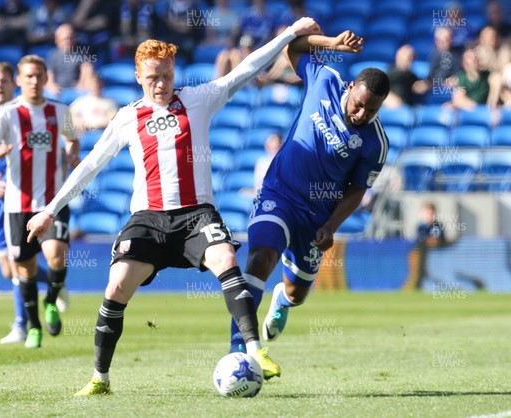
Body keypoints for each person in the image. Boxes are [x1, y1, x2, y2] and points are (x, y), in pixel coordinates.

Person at [25, 17, 321, 395]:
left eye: (166, 75)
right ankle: (100, 378)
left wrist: (290, 34)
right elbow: (90, 165)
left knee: (227, 262)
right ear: (137, 77)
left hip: (196, 213)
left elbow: (247, 68)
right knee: (115, 286)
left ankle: (254, 351)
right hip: (148, 219)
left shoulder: (197, 99)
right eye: (152, 78)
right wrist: (51, 209)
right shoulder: (128, 118)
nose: (161, 84)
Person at [227, 27, 390, 352]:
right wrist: (330, 43)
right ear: (351, 87)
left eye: (371, 110)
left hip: (317, 218)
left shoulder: (375, 143)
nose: (361, 114)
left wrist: (331, 226)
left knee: (296, 293)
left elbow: (357, 190)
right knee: (260, 258)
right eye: (358, 105)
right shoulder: (325, 79)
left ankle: (282, 303)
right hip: (280, 194)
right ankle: (239, 349)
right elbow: (291, 49)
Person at [0, 55, 80, 349]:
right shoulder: (7, 114)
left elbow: (72, 139)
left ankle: (51, 300)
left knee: (57, 257)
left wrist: (71, 153)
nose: (34, 81)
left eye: (39, 76)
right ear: (19, 81)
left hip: (53, 202)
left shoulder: (61, 111)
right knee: (25, 269)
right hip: (17, 205)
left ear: (46, 78)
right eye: (28, 76)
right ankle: (34, 327)